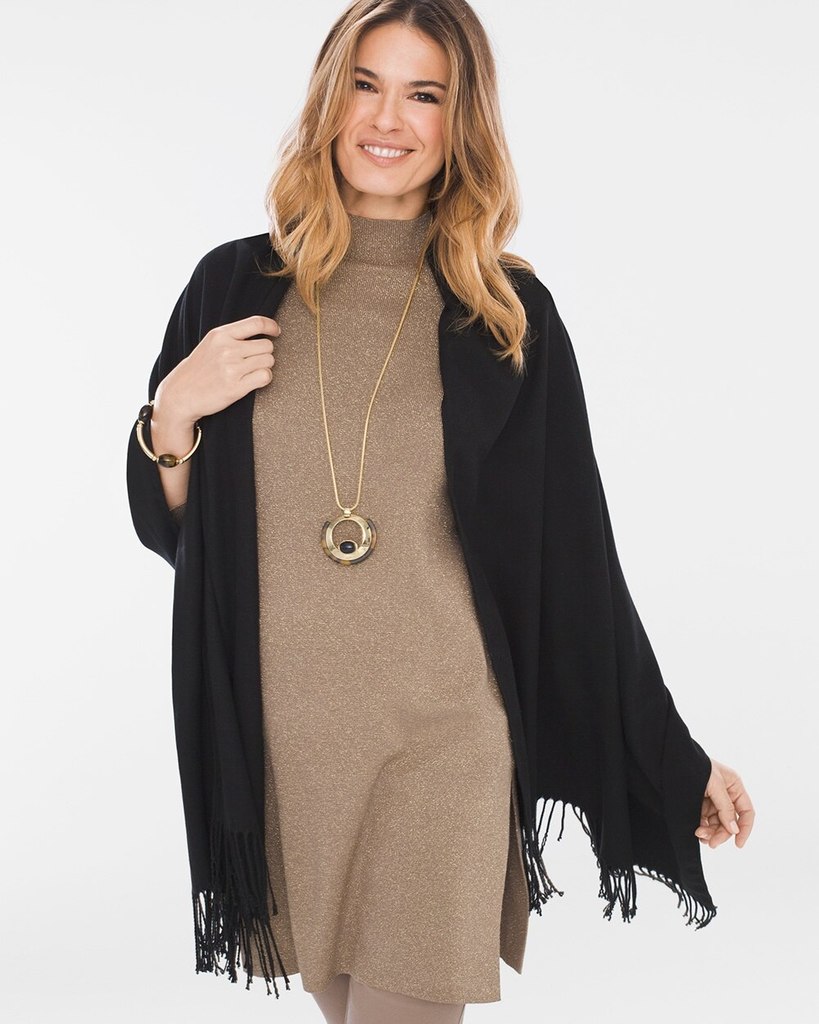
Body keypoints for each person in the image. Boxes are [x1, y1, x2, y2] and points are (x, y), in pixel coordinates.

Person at [127, 2, 755, 1022]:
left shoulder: (503, 313)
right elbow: (178, 536)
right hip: (287, 738)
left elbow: (575, 558)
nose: (389, 118)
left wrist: (670, 755)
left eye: (424, 94)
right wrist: (173, 413)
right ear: (329, 102)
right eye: (365, 85)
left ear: (460, 123)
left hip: (444, 737)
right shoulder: (233, 286)